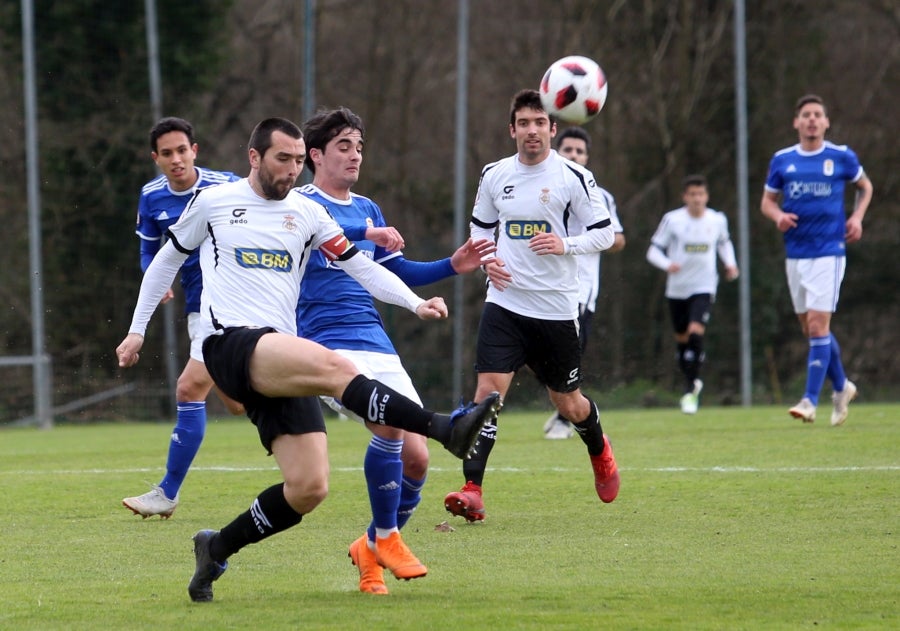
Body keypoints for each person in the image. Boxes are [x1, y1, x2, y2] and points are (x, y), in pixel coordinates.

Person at [115, 117, 501, 602]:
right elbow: (166, 262)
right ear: (254, 157)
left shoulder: (308, 213)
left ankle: (216, 547)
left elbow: (360, 266)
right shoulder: (214, 202)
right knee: (338, 369)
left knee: (309, 488)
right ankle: (445, 428)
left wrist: (414, 303)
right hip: (228, 343)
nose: (292, 170)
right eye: (283, 159)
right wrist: (136, 330)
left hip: (275, 354)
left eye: (298, 160)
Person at [296, 107, 495, 594]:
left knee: (418, 459)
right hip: (324, 344)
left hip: (375, 342)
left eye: (359, 146)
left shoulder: (368, 207)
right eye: (344, 145)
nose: (355, 154)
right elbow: (330, 248)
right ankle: (385, 538)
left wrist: (451, 264)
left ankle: (370, 550)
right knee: (387, 424)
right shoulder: (298, 204)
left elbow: (395, 272)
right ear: (315, 154)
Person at [442, 89, 620, 523]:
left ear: (552, 129)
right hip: (504, 305)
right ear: (512, 130)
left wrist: (564, 243)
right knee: (487, 396)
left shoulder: (574, 177)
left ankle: (599, 450)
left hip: (557, 311)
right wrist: (489, 262)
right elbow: (480, 228)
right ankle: (473, 490)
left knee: (568, 404)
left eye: (540, 123)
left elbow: (604, 234)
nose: (532, 131)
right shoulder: (493, 174)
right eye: (524, 123)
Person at [122, 117, 243, 519]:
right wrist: (157, 279)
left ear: (196, 150)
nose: (176, 160)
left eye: (182, 150)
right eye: (167, 154)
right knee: (239, 402)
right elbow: (149, 252)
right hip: (199, 307)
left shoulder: (225, 186)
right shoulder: (151, 196)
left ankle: (167, 492)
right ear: (155, 158)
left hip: (235, 301)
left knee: (190, 388)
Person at [761, 94, 872, 426]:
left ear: (826, 122)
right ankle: (841, 386)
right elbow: (767, 202)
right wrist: (778, 215)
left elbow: (865, 187)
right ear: (796, 122)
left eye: (817, 115)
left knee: (817, 326)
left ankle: (809, 400)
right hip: (796, 253)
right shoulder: (783, 160)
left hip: (829, 251)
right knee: (810, 330)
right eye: (806, 115)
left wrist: (857, 218)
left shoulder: (841, 157)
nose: (812, 120)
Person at [542, 126, 625, 439]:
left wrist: (580, 240)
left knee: (568, 354)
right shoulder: (542, 191)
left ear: (587, 158)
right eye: (568, 150)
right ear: (557, 152)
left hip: (581, 287)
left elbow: (617, 239)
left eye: (579, 151)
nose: (573, 155)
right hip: (545, 283)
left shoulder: (600, 196)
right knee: (540, 353)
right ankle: (566, 410)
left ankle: (566, 418)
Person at [646, 174, 739, 414]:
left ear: (706, 196)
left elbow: (724, 243)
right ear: (685, 197)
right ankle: (691, 377)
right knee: (683, 342)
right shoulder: (673, 220)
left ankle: (689, 390)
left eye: (701, 194)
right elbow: (653, 251)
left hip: (704, 286)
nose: (697, 199)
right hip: (677, 289)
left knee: (695, 333)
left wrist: (730, 263)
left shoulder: (717, 220)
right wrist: (667, 264)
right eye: (692, 194)